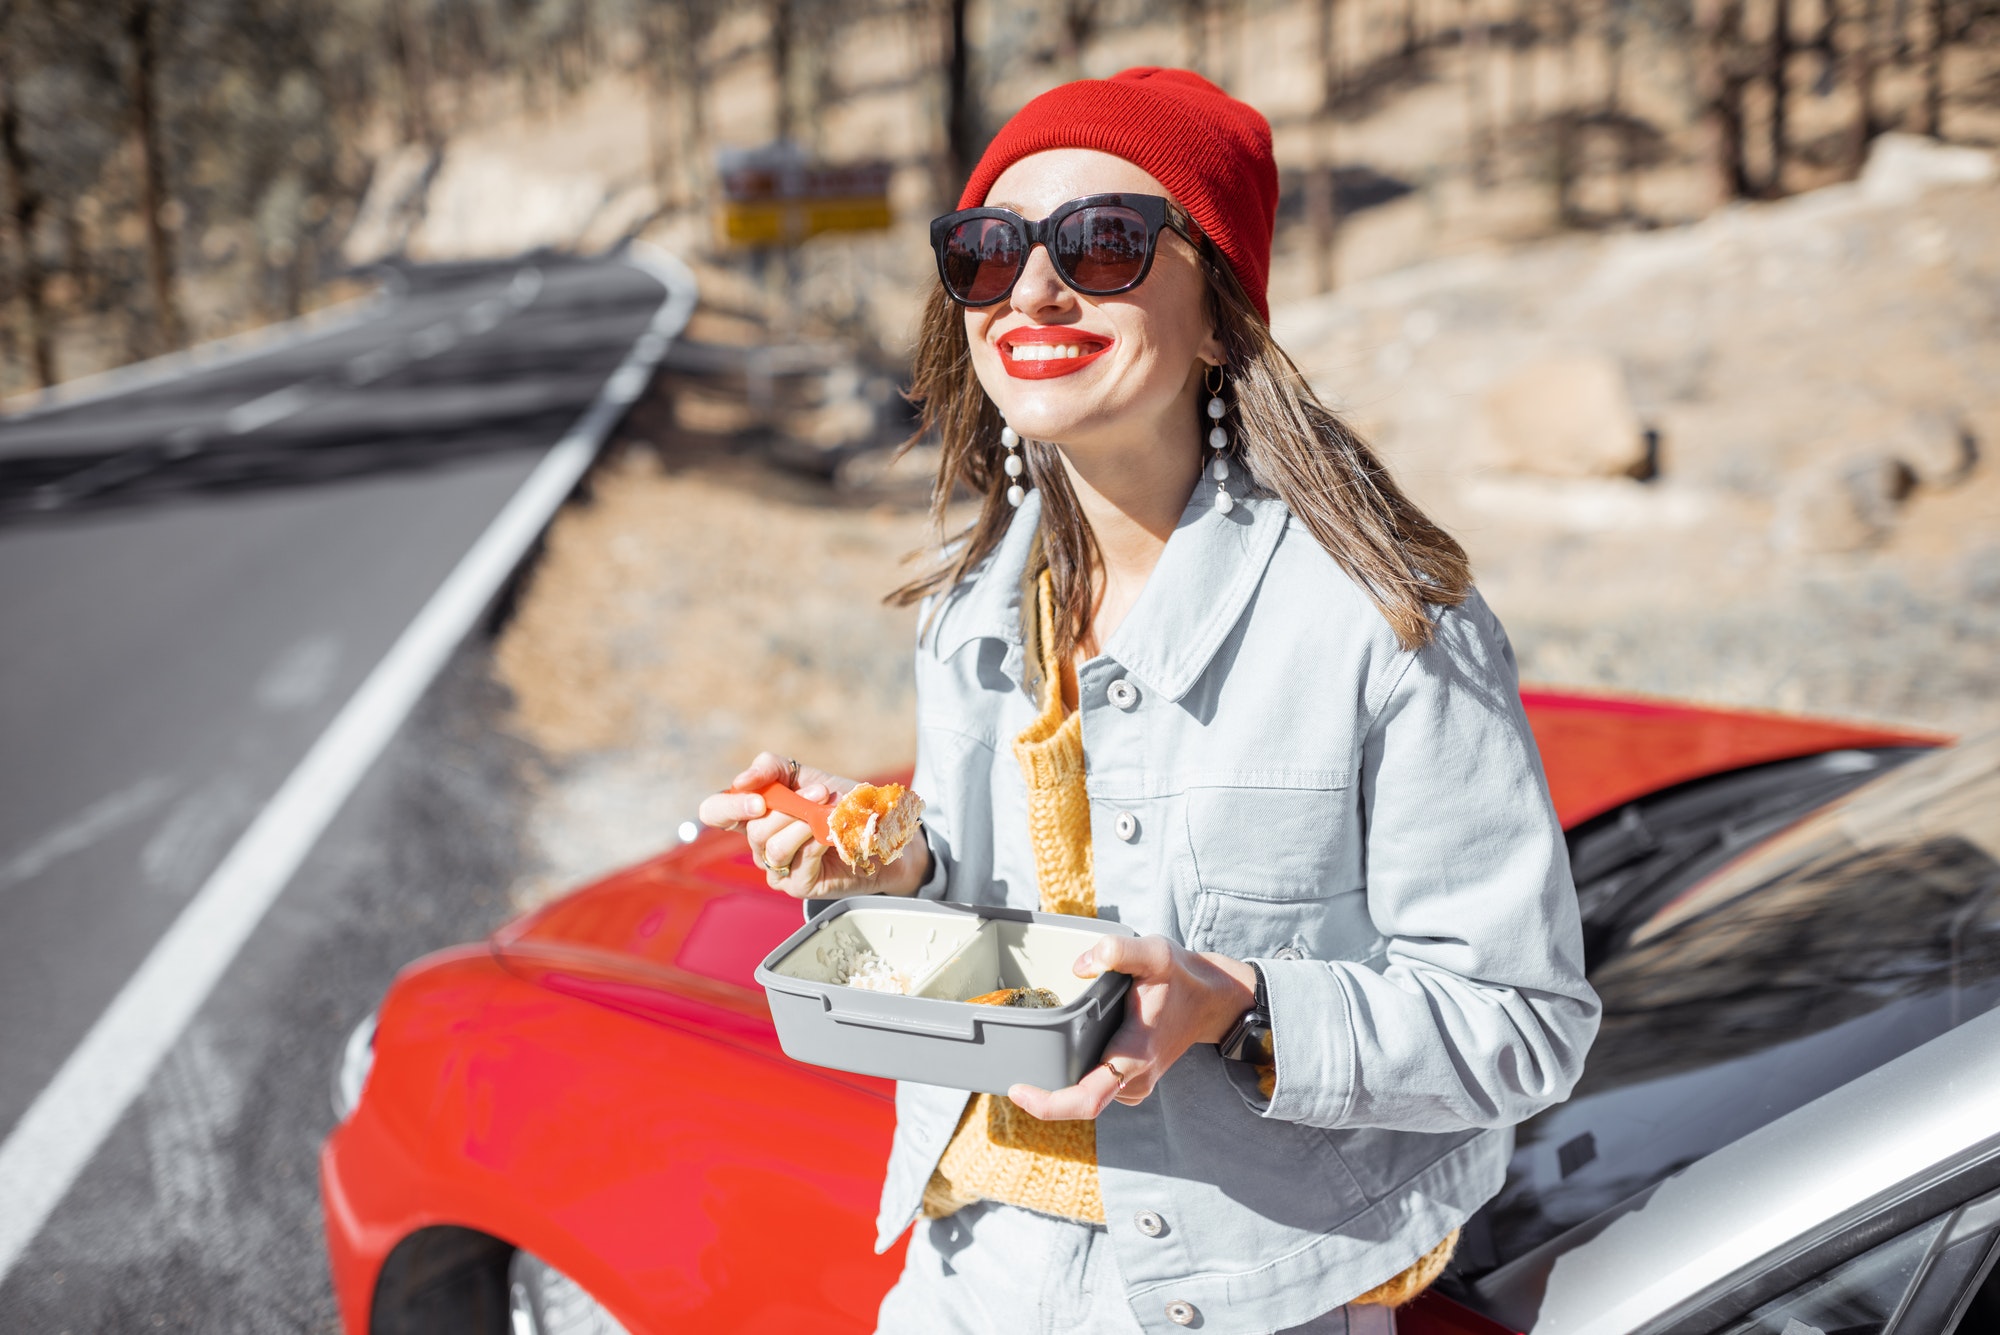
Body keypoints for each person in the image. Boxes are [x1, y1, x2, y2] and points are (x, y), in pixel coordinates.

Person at [699, 67, 1600, 1335]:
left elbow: (1522, 1028)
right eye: (985, 252)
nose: (1032, 290)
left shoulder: (1388, 627)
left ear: (1221, 317)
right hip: (966, 1275)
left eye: (1105, 244)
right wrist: (882, 863)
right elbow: (1007, 956)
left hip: (1244, 1300)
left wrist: (1237, 1005)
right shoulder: (969, 618)